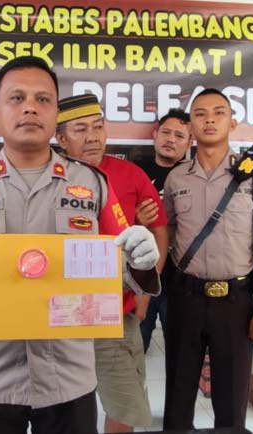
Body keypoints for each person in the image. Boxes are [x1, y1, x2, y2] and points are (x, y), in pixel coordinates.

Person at [0, 56, 161, 434]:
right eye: (17, 98)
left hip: (68, 375)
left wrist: (140, 260)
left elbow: (120, 260)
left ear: (55, 112)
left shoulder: (92, 184)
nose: (30, 106)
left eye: (43, 99)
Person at [162, 88, 253, 430]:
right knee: (178, 389)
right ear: (191, 126)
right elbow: (167, 233)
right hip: (185, 297)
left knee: (231, 398)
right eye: (200, 114)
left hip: (236, 300)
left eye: (218, 112)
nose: (209, 119)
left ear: (233, 122)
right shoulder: (176, 177)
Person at [55, 93, 168, 433]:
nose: (92, 137)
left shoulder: (130, 174)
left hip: (117, 312)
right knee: (63, 408)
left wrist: (147, 291)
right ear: (61, 138)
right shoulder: (50, 176)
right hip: (61, 314)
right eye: (80, 129)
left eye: (98, 127)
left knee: (124, 403)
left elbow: (159, 234)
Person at [135, 108, 193, 353]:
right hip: (141, 273)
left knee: (181, 351)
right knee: (136, 346)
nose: (171, 139)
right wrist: (136, 220)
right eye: (166, 132)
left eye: (180, 136)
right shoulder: (134, 171)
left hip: (180, 277)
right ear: (155, 134)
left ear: (190, 142)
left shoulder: (195, 176)